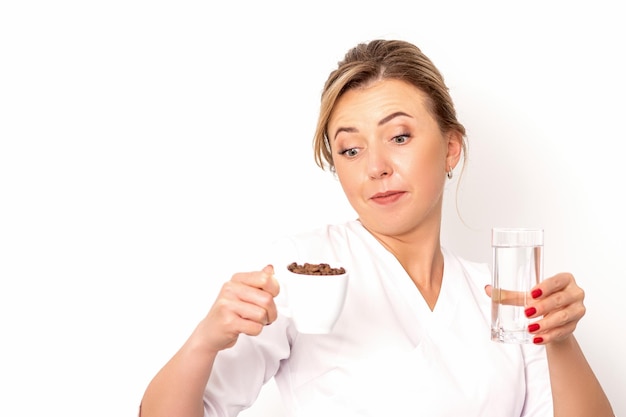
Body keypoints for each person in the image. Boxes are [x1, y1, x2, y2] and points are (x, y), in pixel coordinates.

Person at [139, 39, 614, 417]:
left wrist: (560, 337)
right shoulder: (304, 273)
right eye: (350, 149)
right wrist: (204, 340)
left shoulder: (500, 299)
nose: (376, 167)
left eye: (400, 137)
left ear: (451, 148)